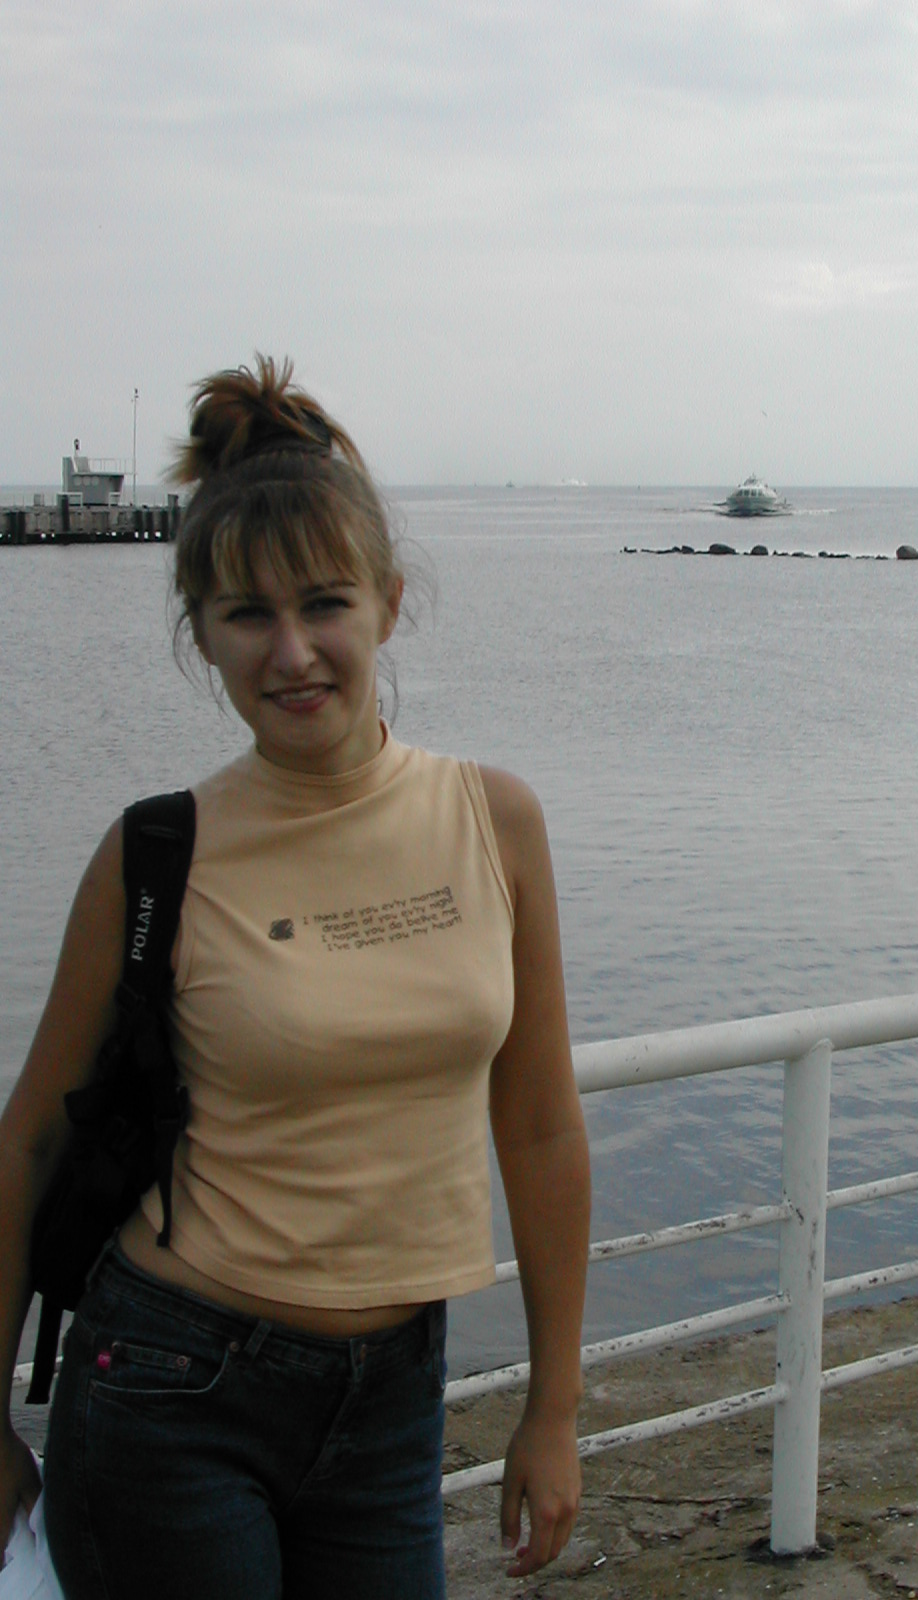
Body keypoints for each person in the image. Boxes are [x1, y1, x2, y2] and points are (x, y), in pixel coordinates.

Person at [0, 355, 591, 1599]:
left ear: (387, 603)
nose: (292, 653)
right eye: (246, 615)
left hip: (395, 1397)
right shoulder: (156, 852)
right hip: (170, 1385)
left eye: (324, 604)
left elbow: (539, 1125)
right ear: (199, 634)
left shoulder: (496, 821)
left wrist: (553, 1406)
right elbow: (30, 1142)